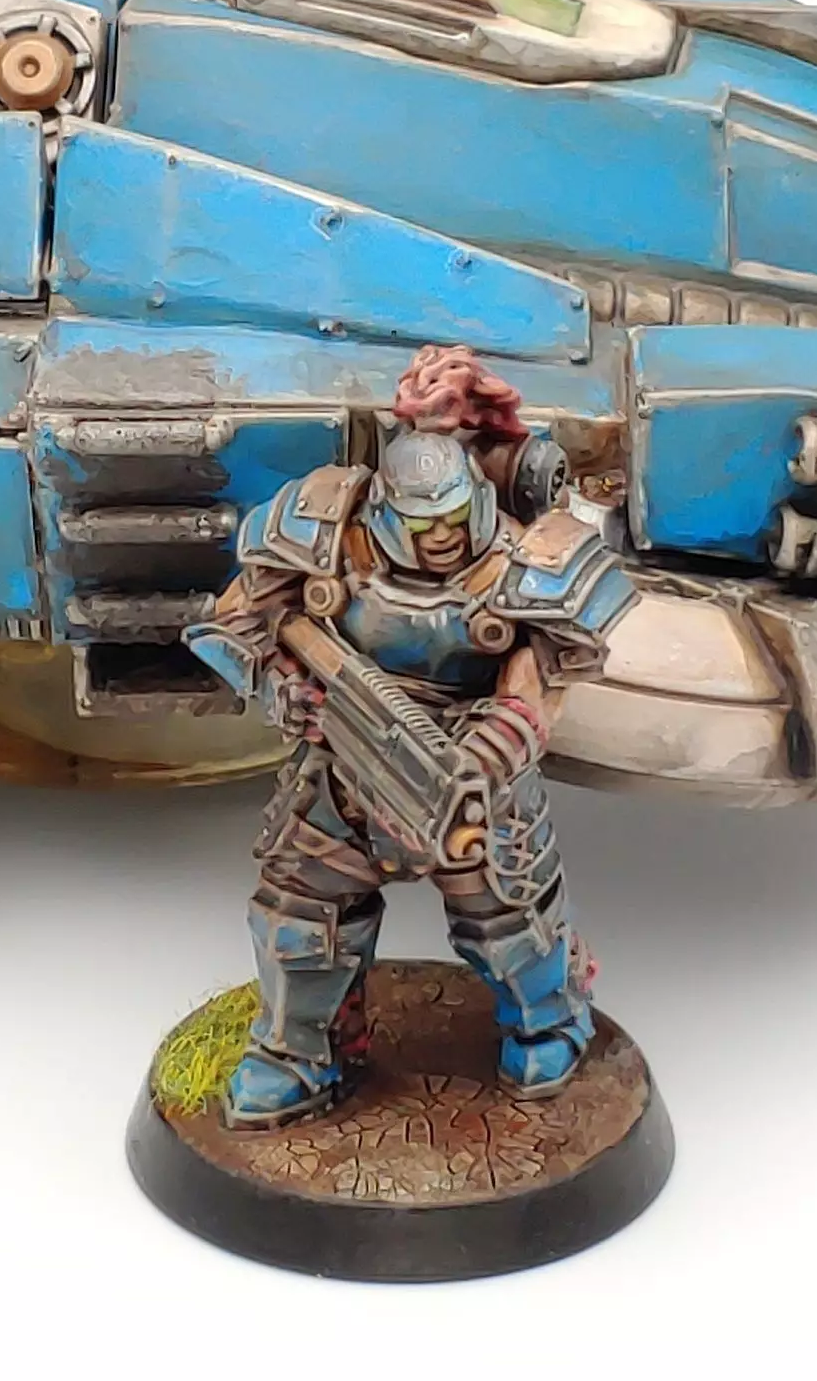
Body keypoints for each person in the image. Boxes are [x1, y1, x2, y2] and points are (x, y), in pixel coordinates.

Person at [184, 350, 637, 1127]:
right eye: (425, 526)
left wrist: (501, 737)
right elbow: (233, 623)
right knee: (301, 917)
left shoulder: (529, 559)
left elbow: (545, 671)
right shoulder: (325, 525)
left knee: (512, 926)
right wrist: (280, 686)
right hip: (342, 758)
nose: (443, 540)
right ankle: (300, 1055)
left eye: (456, 520)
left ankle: (550, 1025)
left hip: (470, 769)